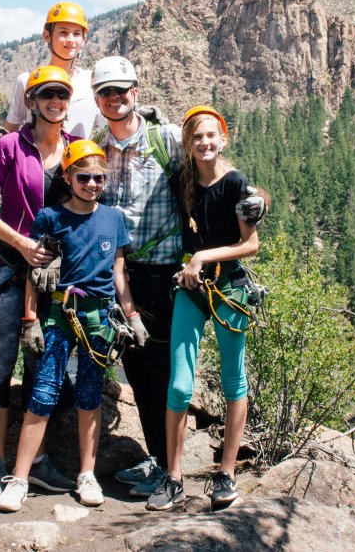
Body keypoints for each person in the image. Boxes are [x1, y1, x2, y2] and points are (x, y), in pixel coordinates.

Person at [80, 58, 267, 499]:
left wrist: (260, 199)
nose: (115, 97)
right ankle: (160, 463)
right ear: (97, 98)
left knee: (166, 373)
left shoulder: (164, 138)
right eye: (106, 91)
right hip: (119, 276)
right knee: (140, 370)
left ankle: (170, 467)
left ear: (136, 91)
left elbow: (219, 177)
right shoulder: (93, 148)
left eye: (122, 90)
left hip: (169, 273)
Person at [0, 141, 145, 512]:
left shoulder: (113, 218)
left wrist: (132, 315)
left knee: (90, 395)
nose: (92, 184)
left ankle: (87, 474)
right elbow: (36, 270)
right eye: (84, 177)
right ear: (68, 177)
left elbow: (119, 273)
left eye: (98, 177)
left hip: (100, 319)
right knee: (43, 394)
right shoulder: (50, 218)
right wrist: (30, 319)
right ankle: (19, 478)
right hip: (60, 315)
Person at [0, 65, 81, 501]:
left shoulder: (75, 149)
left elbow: (91, 201)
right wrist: (19, 242)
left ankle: (32, 461)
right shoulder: (9, 146)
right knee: (1, 363)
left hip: (54, 276)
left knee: (42, 368)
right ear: (31, 100)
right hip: (6, 267)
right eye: (47, 94)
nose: (55, 101)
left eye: (62, 95)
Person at [146, 105, 260, 512]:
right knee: (179, 385)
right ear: (188, 144)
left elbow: (251, 245)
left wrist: (203, 257)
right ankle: (173, 476)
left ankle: (226, 472)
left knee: (234, 380)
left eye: (211, 135)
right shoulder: (183, 181)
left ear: (223, 139)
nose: (205, 142)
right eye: (197, 137)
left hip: (229, 287)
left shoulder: (236, 183)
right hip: (192, 289)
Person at [1, 1, 100, 139]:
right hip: (34, 159)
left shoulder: (93, 82)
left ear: (83, 39)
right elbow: (10, 132)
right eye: (63, 32)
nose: (70, 40)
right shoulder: (27, 81)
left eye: (76, 33)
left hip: (78, 159)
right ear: (47, 36)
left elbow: (111, 125)